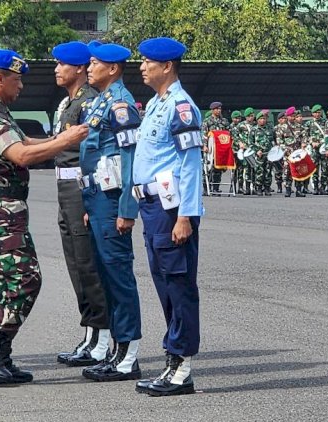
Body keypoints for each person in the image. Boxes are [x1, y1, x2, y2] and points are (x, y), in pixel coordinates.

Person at [0, 49, 89, 385]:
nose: (21, 86)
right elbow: (20, 154)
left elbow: (24, 141)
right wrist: (64, 139)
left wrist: (57, 140)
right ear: (0, 79)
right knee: (25, 279)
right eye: (17, 79)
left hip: (4, 206)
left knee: (3, 282)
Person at [133, 37, 203, 397]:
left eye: (147, 62)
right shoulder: (158, 105)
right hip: (153, 206)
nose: (142, 67)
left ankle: (182, 365)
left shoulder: (181, 107)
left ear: (167, 66)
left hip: (172, 208)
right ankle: (173, 361)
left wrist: (185, 216)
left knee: (179, 284)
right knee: (164, 284)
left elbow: (191, 165)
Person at [78, 41, 143, 383]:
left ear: (113, 68)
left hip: (114, 200)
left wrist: (126, 208)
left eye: (95, 63)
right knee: (105, 276)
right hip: (97, 199)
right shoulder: (99, 102)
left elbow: (130, 159)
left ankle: (129, 355)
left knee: (119, 277)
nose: (89, 68)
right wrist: (90, 204)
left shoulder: (120, 105)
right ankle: (117, 350)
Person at [50, 41, 112, 368]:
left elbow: (93, 154)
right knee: (76, 263)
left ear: (78, 69)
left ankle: (102, 336)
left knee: (87, 262)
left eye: (62, 64)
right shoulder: (68, 103)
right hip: (64, 185)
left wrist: (90, 198)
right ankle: (90, 333)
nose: (57, 69)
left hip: (79, 185)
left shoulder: (88, 103)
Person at [201, 101, 230, 193]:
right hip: (210, 148)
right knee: (208, 168)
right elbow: (204, 134)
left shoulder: (224, 121)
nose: (219, 110)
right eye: (217, 109)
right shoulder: (207, 121)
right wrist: (204, 146)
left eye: (220, 109)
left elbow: (229, 133)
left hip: (220, 149)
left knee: (218, 168)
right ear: (212, 110)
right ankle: (206, 188)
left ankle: (216, 188)